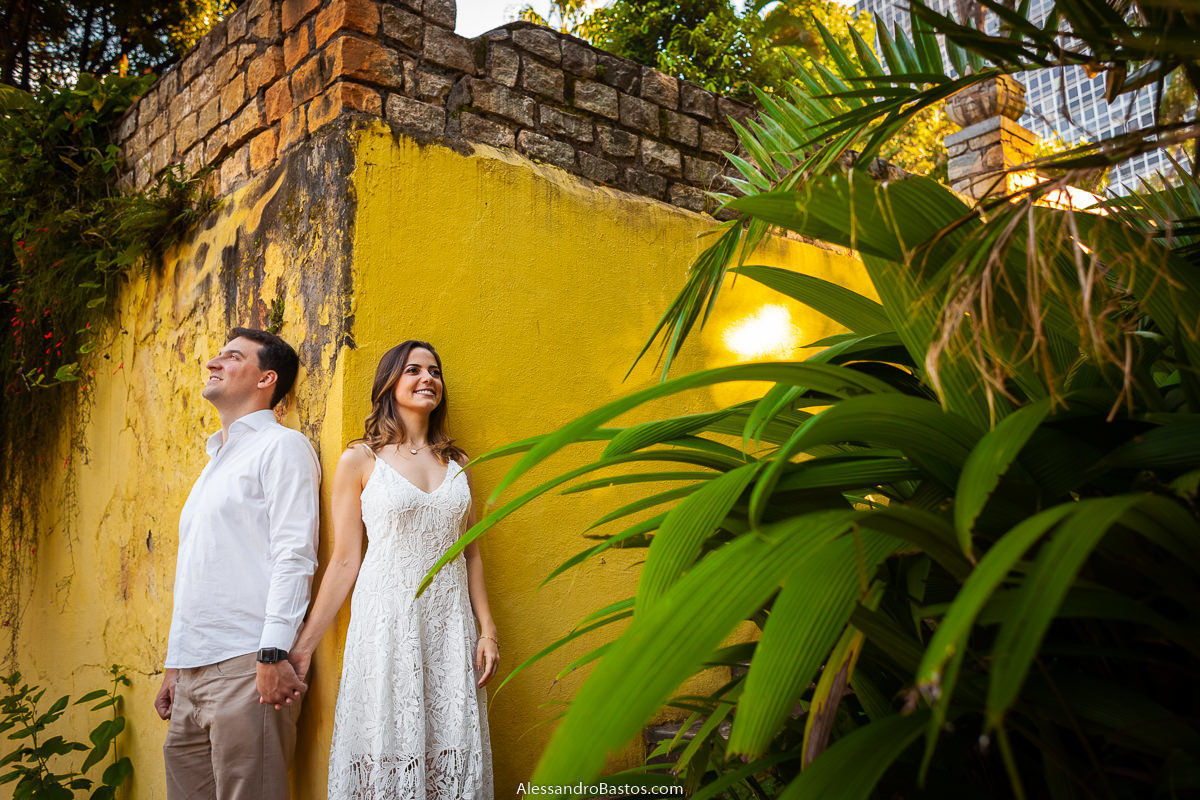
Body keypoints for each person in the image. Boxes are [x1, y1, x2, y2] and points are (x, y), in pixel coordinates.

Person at [286, 340, 497, 799]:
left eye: (435, 371)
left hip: (449, 626)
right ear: (389, 383)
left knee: (449, 744)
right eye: (414, 370)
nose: (428, 379)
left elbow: (471, 551)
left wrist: (488, 630)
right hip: (387, 625)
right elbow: (344, 559)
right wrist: (303, 647)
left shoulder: (457, 463)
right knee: (389, 743)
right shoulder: (360, 459)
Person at [153, 328, 320, 800]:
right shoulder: (214, 462)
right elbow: (199, 569)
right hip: (191, 676)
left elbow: (295, 553)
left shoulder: (282, 447)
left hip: (248, 668)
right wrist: (175, 665)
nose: (213, 362)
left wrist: (271, 652)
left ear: (267, 378)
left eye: (232, 356)